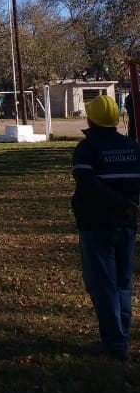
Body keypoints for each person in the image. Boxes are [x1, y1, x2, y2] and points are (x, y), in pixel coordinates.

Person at [71, 94, 140, 360]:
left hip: (97, 225)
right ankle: (120, 338)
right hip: (127, 224)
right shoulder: (132, 148)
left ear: (92, 118)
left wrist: (119, 202)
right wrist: (128, 204)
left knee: (104, 285)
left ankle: (114, 344)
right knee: (123, 283)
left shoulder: (87, 149)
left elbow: (86, 183)